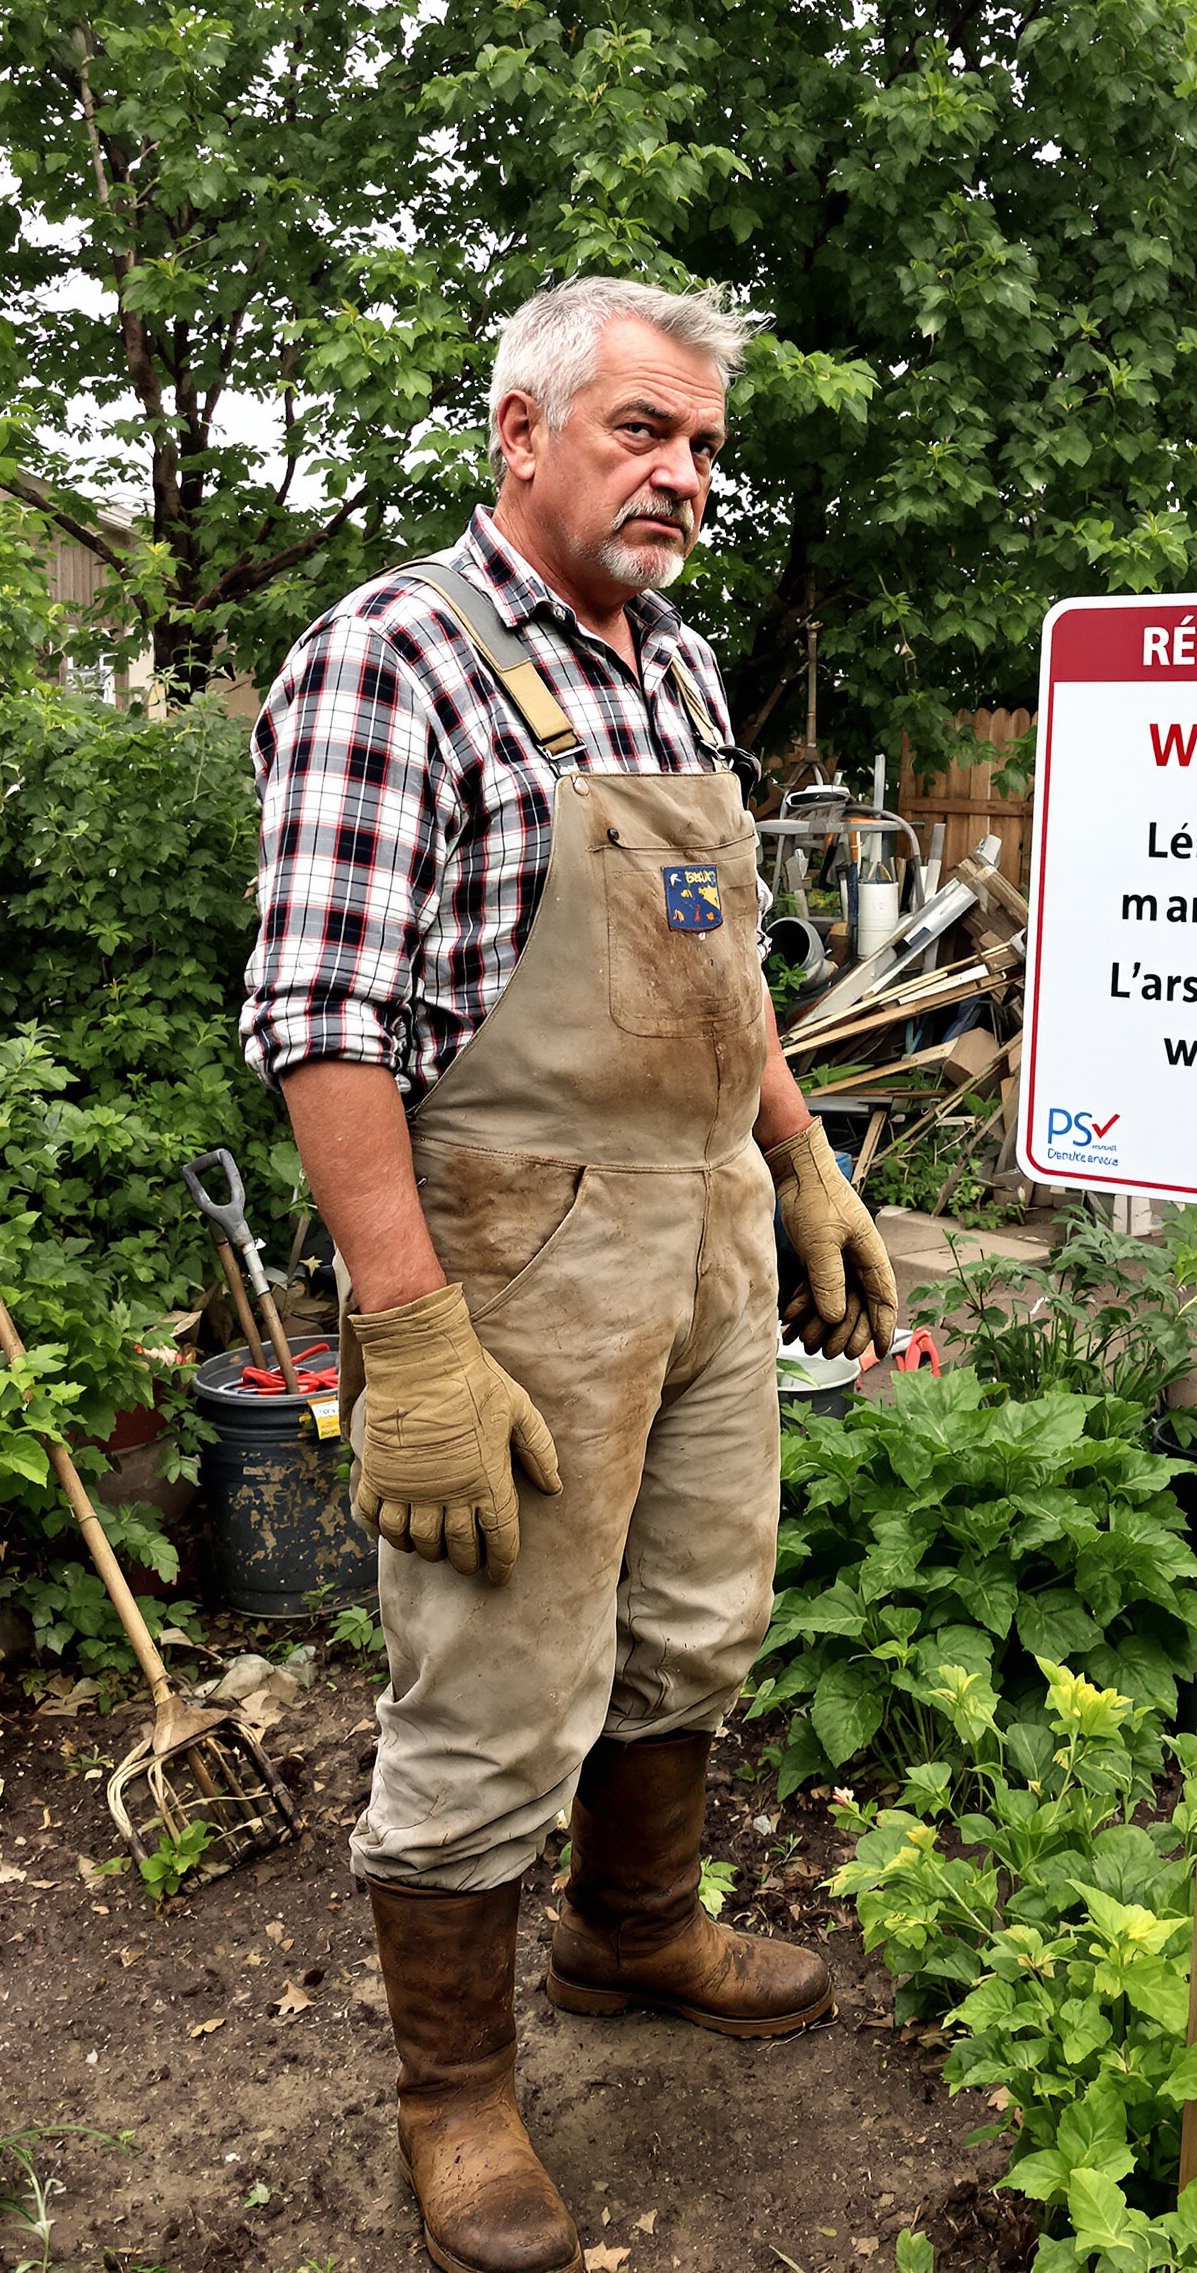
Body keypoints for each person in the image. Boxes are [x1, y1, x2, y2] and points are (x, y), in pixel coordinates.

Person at [241, 276, 898, 2273]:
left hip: (696, 1222)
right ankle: (453, 2086)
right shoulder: (395, 661)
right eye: (643, 429)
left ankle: (630, 1932)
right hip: (510, 1247)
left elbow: (720, 963)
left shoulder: (675, 668)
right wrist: (413, 1327)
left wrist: (797, 1160)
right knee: (497, 1676)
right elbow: (323, 1019)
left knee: (698, 1612)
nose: (686, 473)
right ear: (520, 432)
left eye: (703, 443)